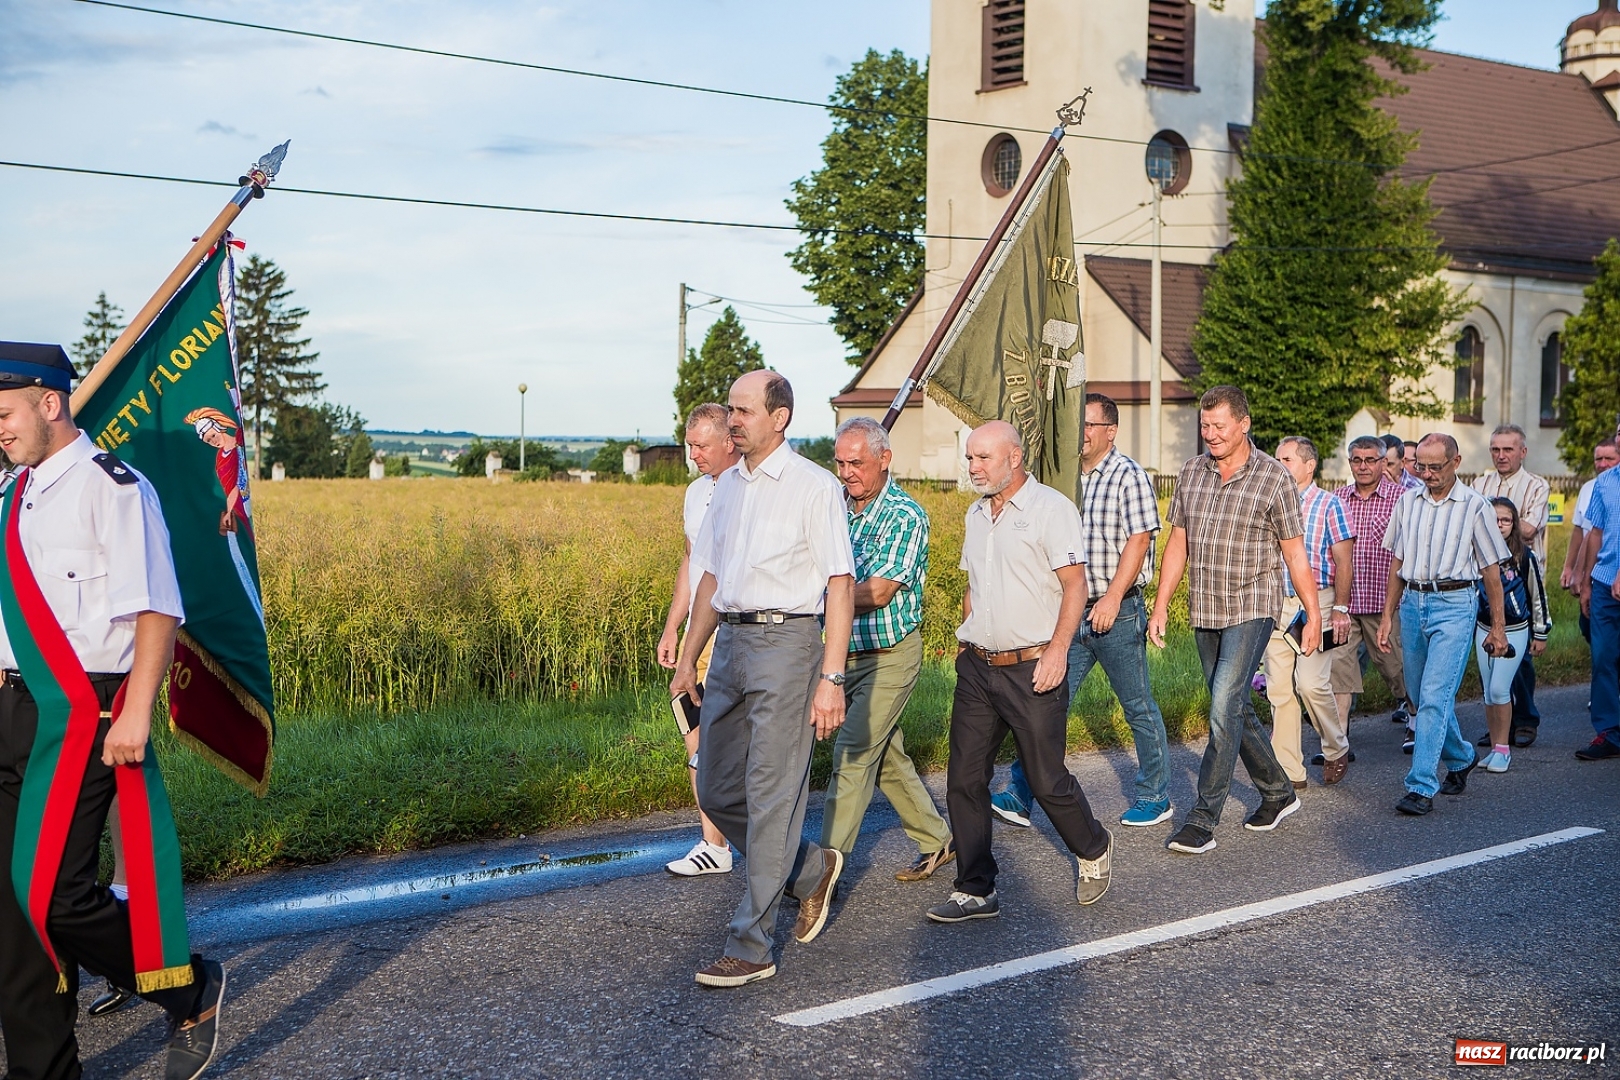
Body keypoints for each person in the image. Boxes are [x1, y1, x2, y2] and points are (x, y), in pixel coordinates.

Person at [0, 342, 226, 1080]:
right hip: (9, 709)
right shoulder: (13, 494)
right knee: (14, 911)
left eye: (4, 414)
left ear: (50, 403)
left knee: (58, 898)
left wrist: (136, 712)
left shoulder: (115, 488)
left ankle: (186, 985)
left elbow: (156, 607)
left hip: (80, 716)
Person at [670, 370, 855, 988]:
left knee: (772, 796)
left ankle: (751, 945)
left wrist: (831, 676)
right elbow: (711, 580)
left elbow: (838, 583)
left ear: (779, 418)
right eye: (731, 409)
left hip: (789, 643)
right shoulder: (726, 490)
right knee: (719, 792)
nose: (733, 420)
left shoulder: (813, 487)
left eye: (744, 410)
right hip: (732, 646)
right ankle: (808, 871)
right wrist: (688, 658)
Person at [927, 421, 1113, 924]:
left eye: (983, 458)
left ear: (1015, 457)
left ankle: (1093, 845)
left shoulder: (1052, 510)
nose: (973, 467)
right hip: (978, 667)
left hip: (1033, 665)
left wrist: (1058, 652)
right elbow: (973, 581)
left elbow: (1075, 586)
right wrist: (966, 635)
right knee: (964, 778)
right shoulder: (975, 514)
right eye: (970, 458)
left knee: (1046, 778)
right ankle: (975, 888)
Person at [1148, 386, 1318, 856]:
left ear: (1243, 424)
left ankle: (1202, 820)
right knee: (1236, 708)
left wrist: (1315, 613)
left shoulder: (1273, 478)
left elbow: (1294, 552)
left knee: (1223, 707)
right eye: (1205, 426)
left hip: (1252, 605)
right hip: (1205, 607)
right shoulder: (1191, 473)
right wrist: (1161, 605)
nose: (1210, 434)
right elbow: (1177, 543)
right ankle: (1278, 793)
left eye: (1219, 425)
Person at [989, 393, 1170, 829]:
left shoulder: (1129, 476)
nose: (1082, 433)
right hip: (1069, 613)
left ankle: (1155, 795)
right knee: (1046, 702)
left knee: (1137, 706)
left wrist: (1110, 597)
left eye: (1090, 425)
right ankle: (1021, 790)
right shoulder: (1062, 478)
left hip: (1117, 610)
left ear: (1110, 431)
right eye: (1078, 424)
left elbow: (1140, 539)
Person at [820, 417, 954, 881]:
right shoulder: (832, 506)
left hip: (889, 656)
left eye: (856, 462)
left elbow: (877, 592)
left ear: (885, 459)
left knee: (854, 755)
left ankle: (824, 871)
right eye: (840, 462)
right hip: (841, 655)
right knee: (886, 757)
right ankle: (938, 840)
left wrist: (813, 595)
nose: (846, 472)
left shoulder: (905, 515)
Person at [1377, 433, 1511, 816]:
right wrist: (1387, 616)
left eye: (1436, 467)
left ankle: (1421, 785)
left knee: (1436, 697)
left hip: (1455, 603)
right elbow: (1398, 564)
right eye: (1421, 466)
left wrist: (1498, 628)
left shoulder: (1475, 506)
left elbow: (1491, 573)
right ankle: (1462, 756)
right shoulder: (1407, 501)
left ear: (1456, 462)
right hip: (1413, 604)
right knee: (1419, 697)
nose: (1428, 474)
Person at [655, 403, 740, 877]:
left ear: (729, 440)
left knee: (726, 743)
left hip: (735, 630)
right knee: (692, 728)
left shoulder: (748, 489)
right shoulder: (693, 493)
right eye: (689, 445)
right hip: (697, 633)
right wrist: (673, 627)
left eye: (701, 446)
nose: (693, 455)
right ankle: (714, 844)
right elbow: (691, 561)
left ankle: (747, 842)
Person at [1263, 437, 1354, 788]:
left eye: (1285, 458)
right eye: (1276, 458)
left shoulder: (1330, 505)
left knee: (1311, 683)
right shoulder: (1270, 503)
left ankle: (1335, 747)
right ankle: (1289, 770)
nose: (1278, 463)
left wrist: (1341, 609)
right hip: (1277, 602)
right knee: (1279, 689)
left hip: (1320, 600)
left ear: (1308, 464)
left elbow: (1344, 561)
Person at [1471, 424, 1549, 749]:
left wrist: (1493, 521)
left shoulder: (1536, 486)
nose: (1501, 456)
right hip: (1485, 577)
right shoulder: (1479, 483)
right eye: (1495, 450)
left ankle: (1526, 720)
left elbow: (1527, 529)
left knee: (1521, 657)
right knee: (1490, 652)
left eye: (1508, 450)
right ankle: (1499, 725)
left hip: (1522, 577)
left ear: (1523, 452)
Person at [1333, 435, 1416, 733]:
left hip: (1385, 604)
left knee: (1398, 670)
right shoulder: (1338, 498)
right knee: (1338, 669)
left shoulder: (1403, 498)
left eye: (1370, 460)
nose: (1363, 466)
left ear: (1383, 462)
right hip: (1344, 604)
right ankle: (1338, 741)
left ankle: (1417, 721)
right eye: (1357, 460)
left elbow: (1410, 551)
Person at [1474, 498, 1550, 774]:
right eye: (1494, 519)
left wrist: (1540, 633)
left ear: (1514, 523)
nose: (1500, 525)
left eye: (1506, 520)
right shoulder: (1476, 553)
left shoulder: (1523, 556)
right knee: (1488, 692)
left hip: (1515, 630)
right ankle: (1495, 746)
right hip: (1483, 629)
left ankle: (1504, 750)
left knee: (1498, 688)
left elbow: (1537, 596)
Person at [1573, 415, 1620, 762]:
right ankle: (1609, 732)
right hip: (1604, 582)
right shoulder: (1605, 482)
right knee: (1603, 656)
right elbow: (1596, 534)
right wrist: (1586, 582)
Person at [1563, 437, 1619, 643]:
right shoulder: (1589, 487)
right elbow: (1582, 532)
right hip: (1595, 569)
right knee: (1589, 626)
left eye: (1609, 458)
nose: (1603, 464)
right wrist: (1571, 569)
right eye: (1598, 458)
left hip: (1610, 566)